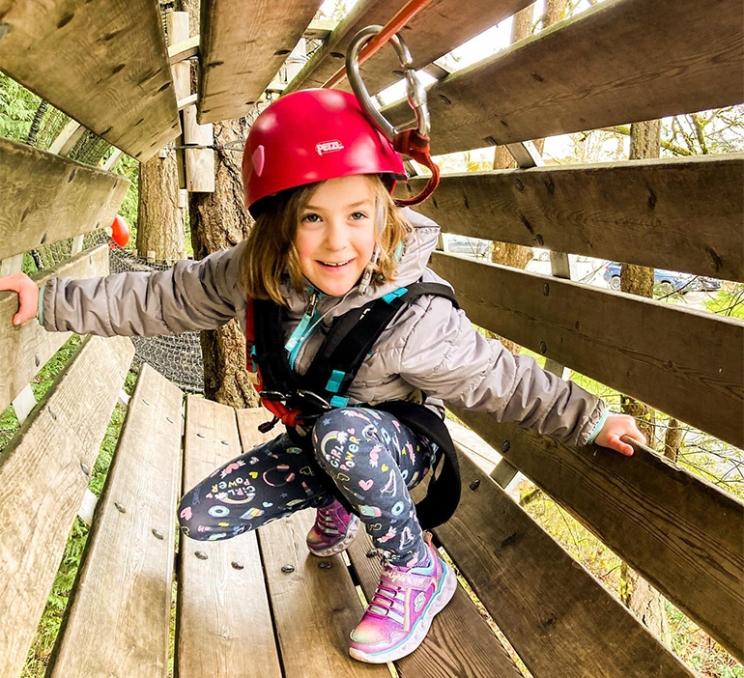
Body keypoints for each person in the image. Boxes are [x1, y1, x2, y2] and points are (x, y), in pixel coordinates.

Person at [0, 88, 646, 664]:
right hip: (320, 436)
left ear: (387, 213)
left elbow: (502, 380)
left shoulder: (414, 315)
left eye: (358, 215)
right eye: (313, 217)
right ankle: (340, 495)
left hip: (395, 446)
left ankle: (416, 571)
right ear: (280, 222)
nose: (338, 242)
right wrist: (51, 301)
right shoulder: (254, 269)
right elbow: (162, 297)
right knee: (203, 518)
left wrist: (590, 419)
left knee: (345, 436)